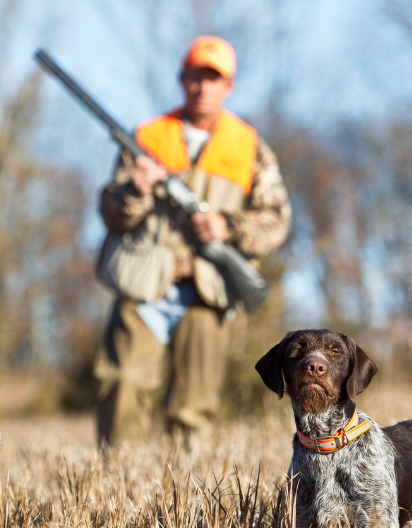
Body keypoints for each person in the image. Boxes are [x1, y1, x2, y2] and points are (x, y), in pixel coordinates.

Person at [94, 35, 291, 446]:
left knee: (193, 408)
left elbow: (277, 221)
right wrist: (134, 189)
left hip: (208, 287)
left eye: (212, 78)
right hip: (145, 280)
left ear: (228, 86)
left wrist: (228, 227)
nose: (202, 87)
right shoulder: (147, 135)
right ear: (181, 79)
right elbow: (111, 214)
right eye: (195, 77)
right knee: (122, 386)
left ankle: (183, 496)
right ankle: (118, 479)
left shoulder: (250, 146)